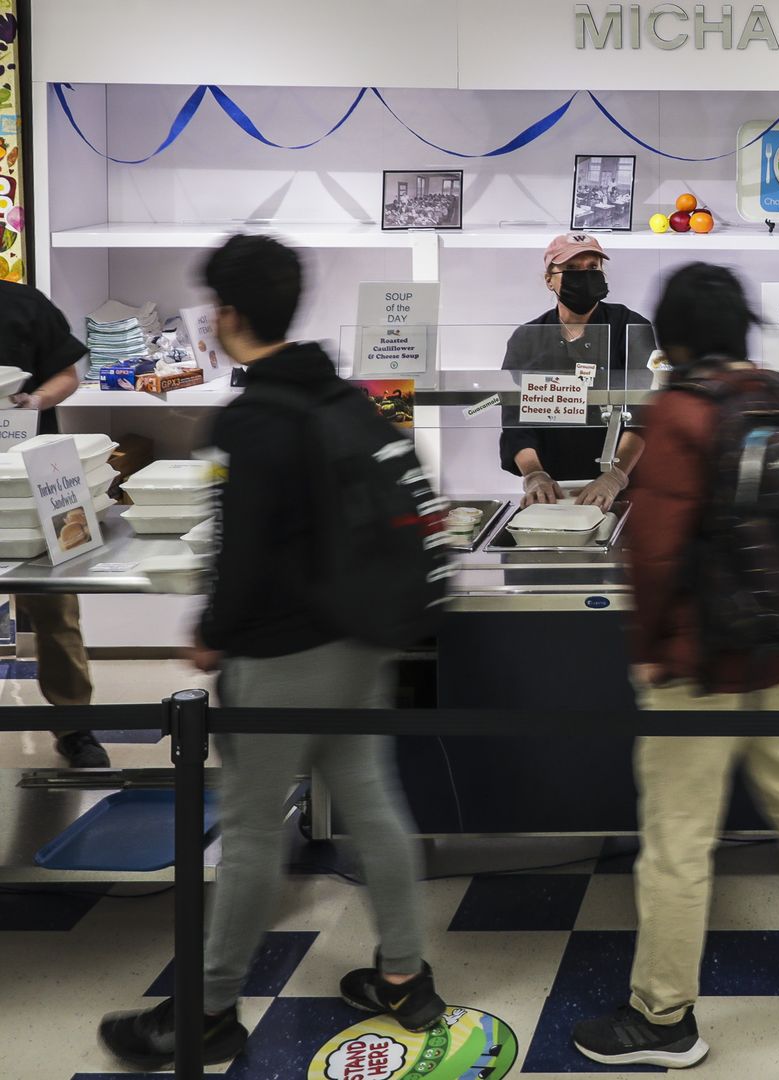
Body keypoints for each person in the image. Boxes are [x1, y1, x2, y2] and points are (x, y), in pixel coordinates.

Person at [99, 234, 445, 1067]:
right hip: (362, 639)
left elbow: (241, 552)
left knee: (253, 830)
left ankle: (207, 1012)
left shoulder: (253, 419)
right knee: (372, 801)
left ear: (228, 316)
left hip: (284, 653)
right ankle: (404, 976)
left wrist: (214, 637)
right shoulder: (347, 396)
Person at [571, 263, 779, 1069]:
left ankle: (662, 1017)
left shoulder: (678, 414)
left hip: (697, 665)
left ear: (675, 338)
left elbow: (652, 554)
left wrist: (652, 651)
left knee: (680, 835)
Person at [0, 280, 107, 768]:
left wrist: (33, 401)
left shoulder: (24, 304)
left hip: (35, 477)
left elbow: (67, 373)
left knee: (55, 606)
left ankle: (74, 725)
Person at [500, 233, 649, 509]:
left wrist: (614, 476)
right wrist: (534, 474)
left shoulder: (631, 328)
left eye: (593, 268)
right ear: (549, 279)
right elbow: (515, 423)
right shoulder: (526, 338)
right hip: (555, 491)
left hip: (624, 486)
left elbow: (642, 415)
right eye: (570, 269)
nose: (584, 276)